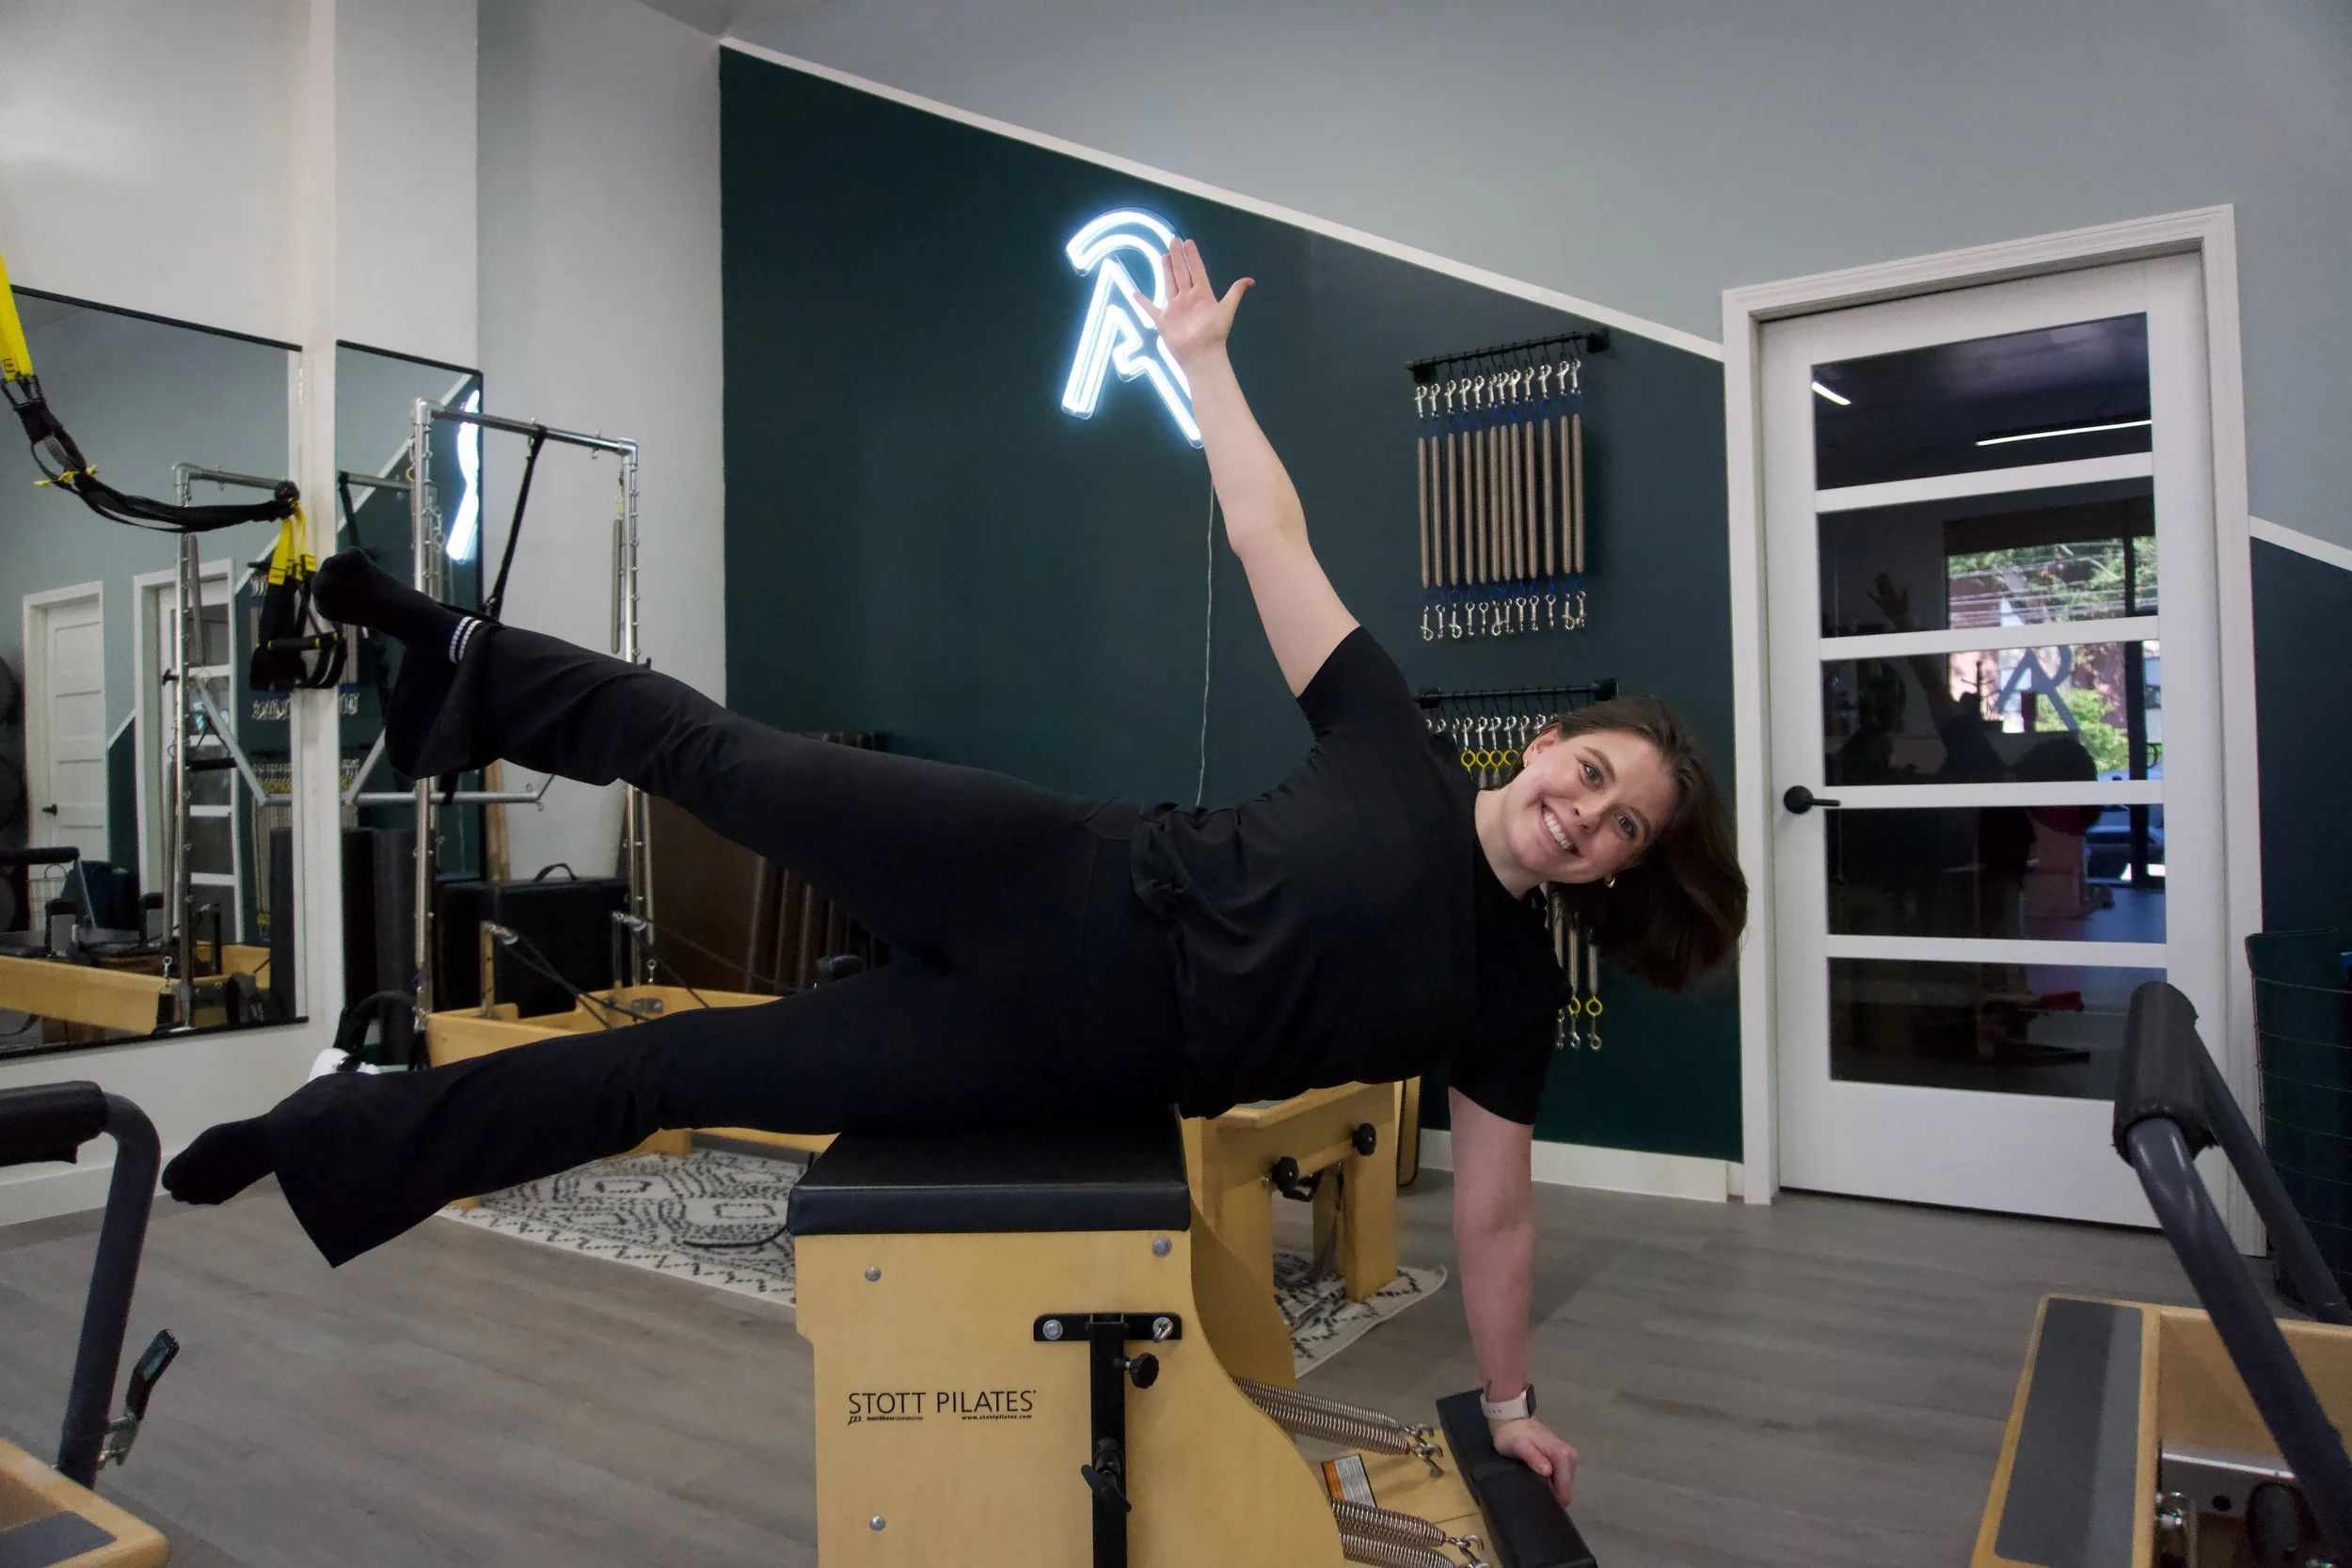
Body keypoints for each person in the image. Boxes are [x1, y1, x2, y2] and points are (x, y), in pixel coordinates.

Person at [165, 239, 1746, 1505]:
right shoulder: (1396, 736)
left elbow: (1495, 1219)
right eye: (1592, 775)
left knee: (671, 1066)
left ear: (1615, 872)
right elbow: (1273, 532)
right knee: (726, 760)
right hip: (1051, 875)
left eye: (1620, 831)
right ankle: (433, 642)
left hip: (1066, 1054)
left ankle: (327, 1136)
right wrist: (1201, 364)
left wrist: (1517, 1404)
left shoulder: (1509, 998)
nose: (1587, 816)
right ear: (1547, 742)